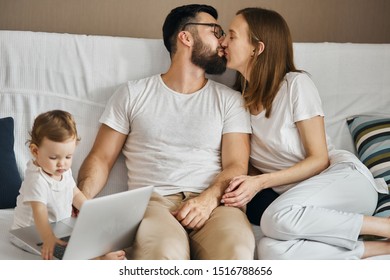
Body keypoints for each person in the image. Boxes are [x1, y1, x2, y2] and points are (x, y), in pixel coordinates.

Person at [77, 4, 255, 260]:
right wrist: (81, 202)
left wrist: (207, 200)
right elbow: (101, 158)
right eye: (215, 30)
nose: (222, 40)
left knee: (236, 254)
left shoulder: (230, 100)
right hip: (152, 203)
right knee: (164, 255)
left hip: (215, 203)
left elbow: (237, 164)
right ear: (186, 37)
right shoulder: (132, 94)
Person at [221, 7, 390, 259]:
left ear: (257, 48)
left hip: (344, 182)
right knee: (270, 251)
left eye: (232, 36)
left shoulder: (295, 85)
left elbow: (319, 159)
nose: (223, 42)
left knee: (275, 218)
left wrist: (259, 183)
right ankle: (376, 248)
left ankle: (385, 228)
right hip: (302, 205)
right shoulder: (237, 103)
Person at [11, 110, 126, 260]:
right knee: (77, 254)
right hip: (31, 234)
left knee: (93, 239)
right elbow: (39, 212)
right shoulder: (37, 180)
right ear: (35, 151)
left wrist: (93, 212)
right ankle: (100, 261)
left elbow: (75, 193)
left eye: (68, 156)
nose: (62, 163)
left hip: (59, 228)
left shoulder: (63, 171)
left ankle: (102, 253)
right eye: (54, 157)